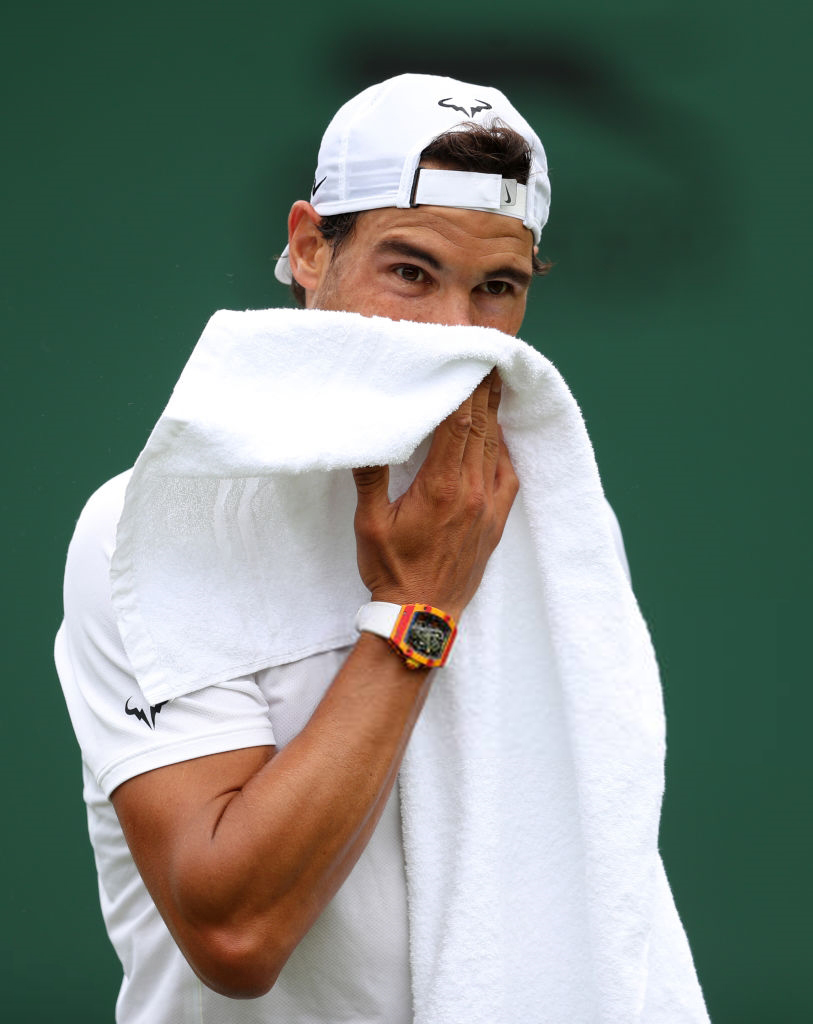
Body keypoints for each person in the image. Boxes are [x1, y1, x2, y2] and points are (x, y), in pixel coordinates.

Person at [56, 74, 705, 1023]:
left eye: (496, 289)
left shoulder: (528, 528)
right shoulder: (143, 531)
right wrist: (417, 614)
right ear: (310, 248)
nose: (454, 332)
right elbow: (234, 935)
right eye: (410, 272)